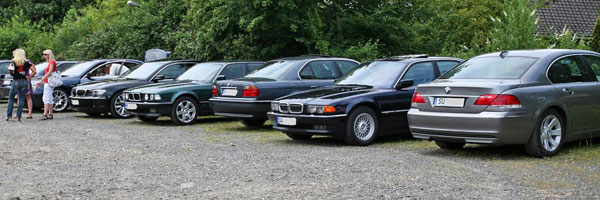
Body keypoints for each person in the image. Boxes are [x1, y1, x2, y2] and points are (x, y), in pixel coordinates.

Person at [6, 49, 33, 121]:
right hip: (24, 81)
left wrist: (12, 73)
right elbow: (34, 70)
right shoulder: (27, 62)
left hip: (16, 81)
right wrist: (29, 77)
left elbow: (11, 71)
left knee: (11, 98)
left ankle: (9, 115)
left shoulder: (13, 62)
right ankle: (19, 116)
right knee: (21, 99)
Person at [36, 49, 56, 120]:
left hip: (49, 82)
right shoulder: (51, 62)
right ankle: (50, 113)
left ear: (49, 55)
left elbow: (49, 72)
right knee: (49, 97)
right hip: (48, 82)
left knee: (46, 97)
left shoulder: (52, 62)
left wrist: (42, 80)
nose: (44, 56)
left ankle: (45, 114)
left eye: (45, 54)